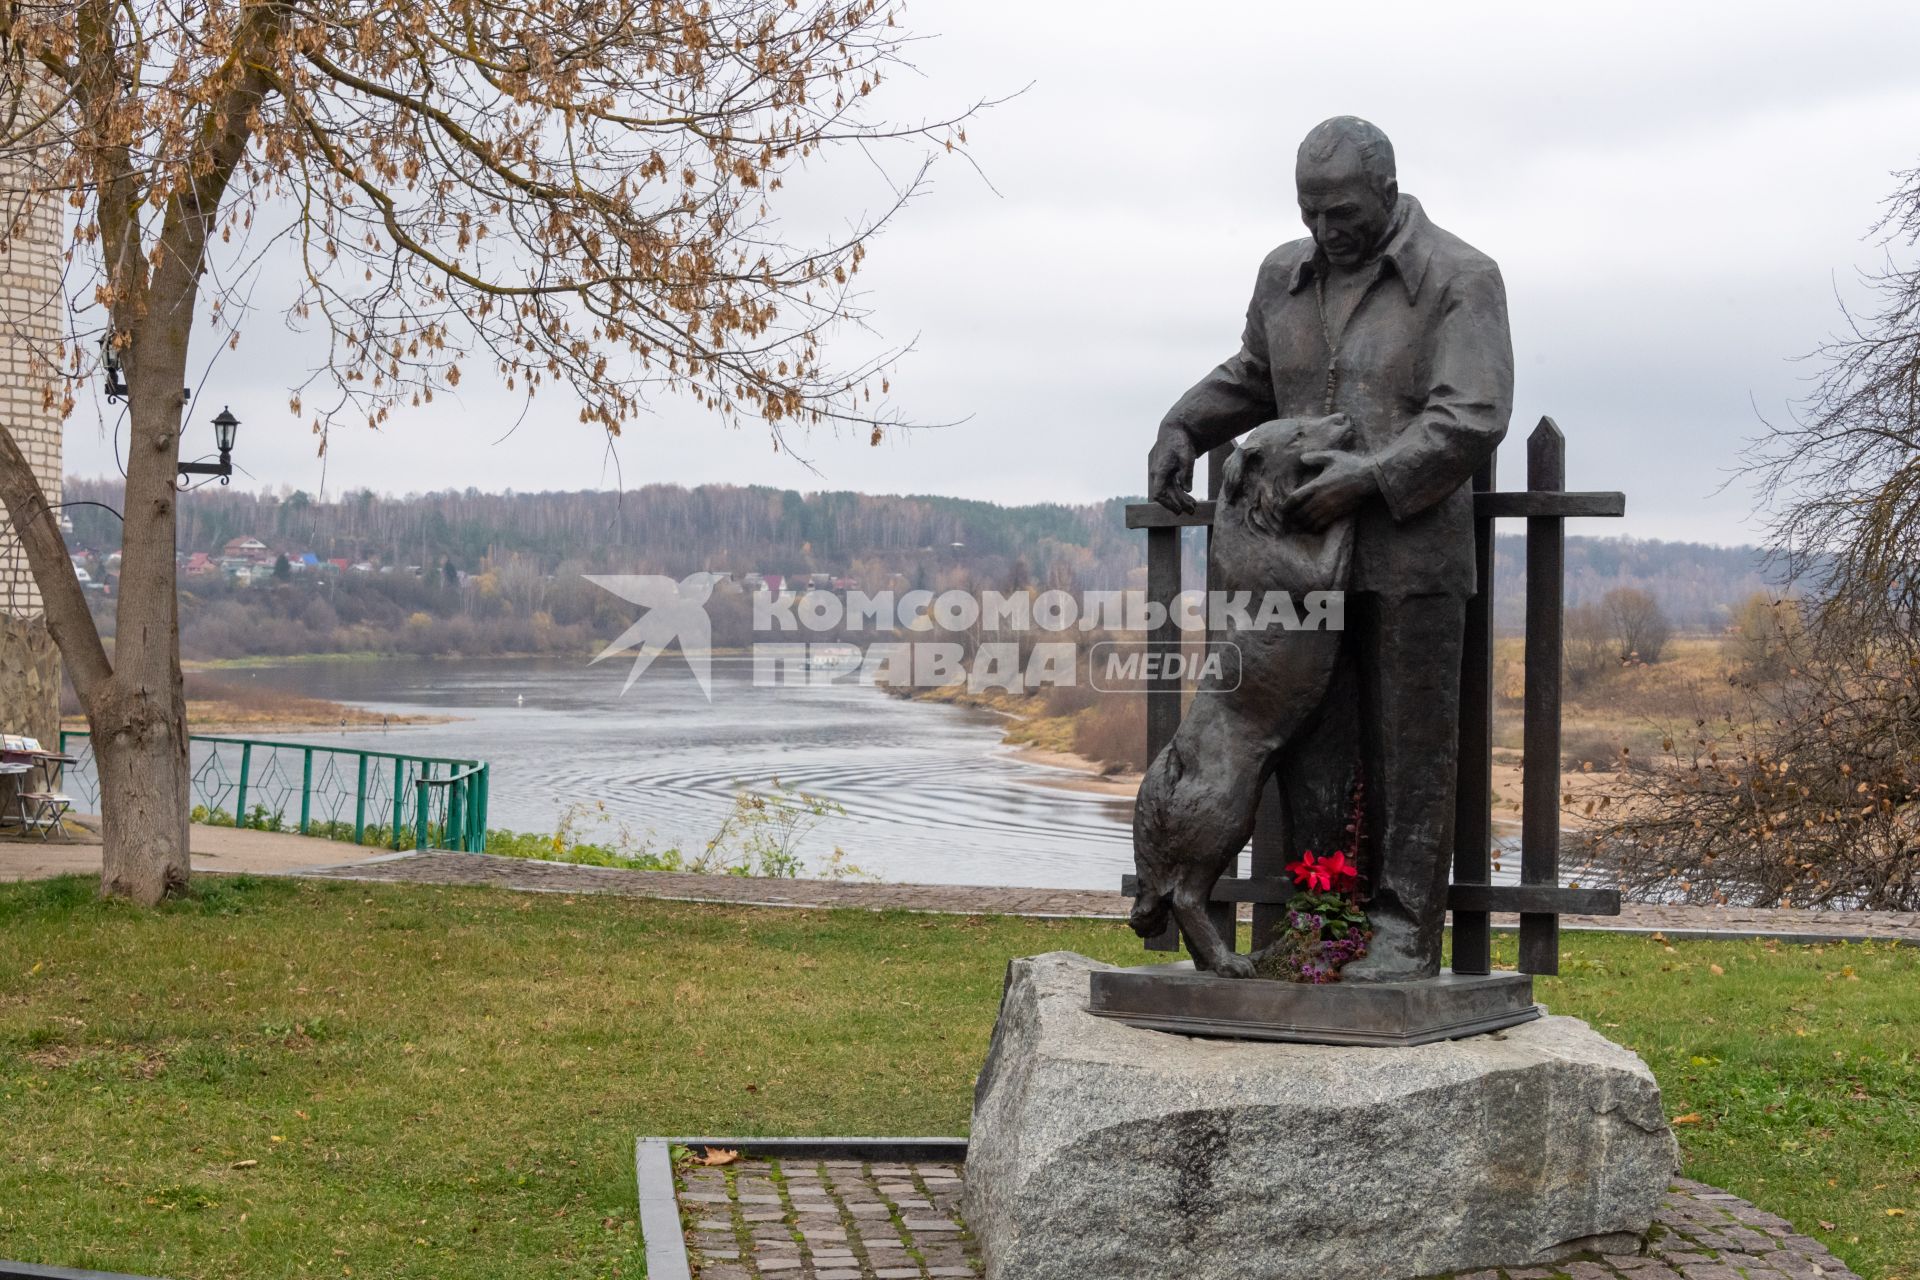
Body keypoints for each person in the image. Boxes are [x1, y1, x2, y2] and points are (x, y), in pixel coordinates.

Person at [1147, 115, 1514, 981]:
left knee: (1409, 751)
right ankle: (1324, 920)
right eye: (1310, 211)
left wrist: (1372, 477)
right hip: (1300, 569)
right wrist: (1183, 425)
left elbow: (1472, 415)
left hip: (1410, 563)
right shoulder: (1284, 276)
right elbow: (1252, 374)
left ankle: (1400, 933)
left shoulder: (1460, 279)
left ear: (1387, 192)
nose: (1324, 229)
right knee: (1311, 752)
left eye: (1341, 210)